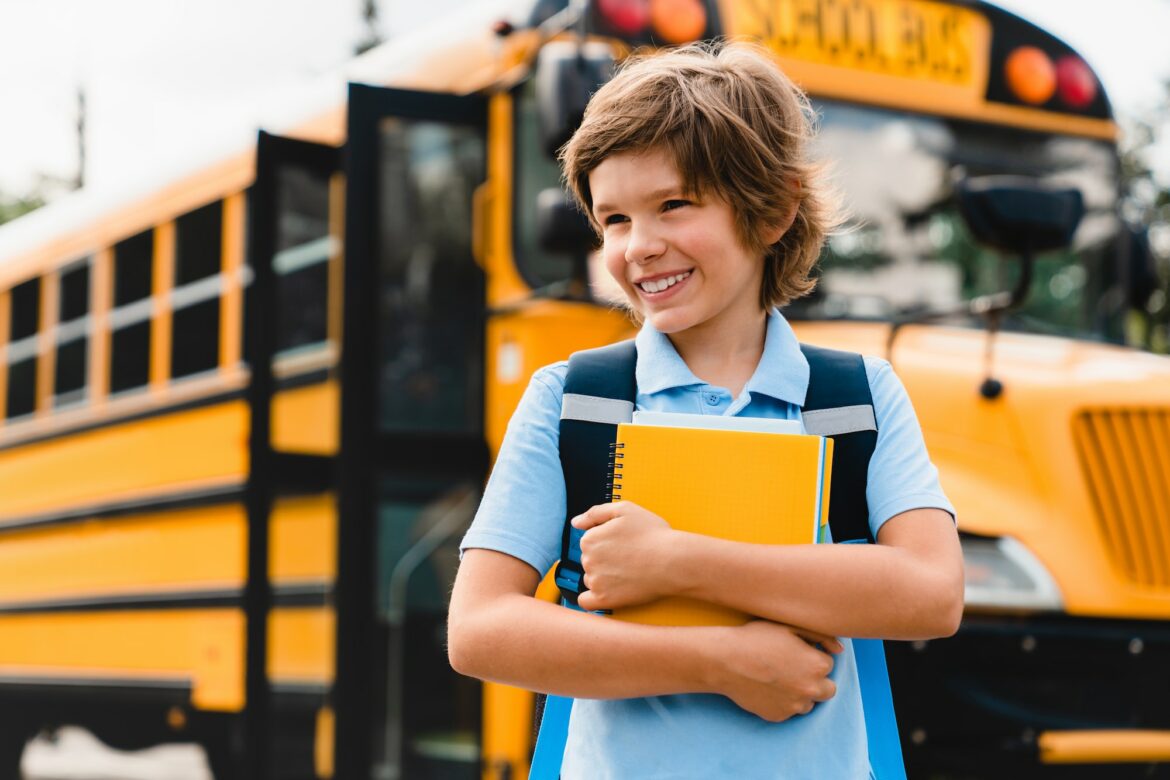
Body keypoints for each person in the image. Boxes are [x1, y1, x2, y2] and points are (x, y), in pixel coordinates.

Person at [447, 41, 963, 778]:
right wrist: (718, 661)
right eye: (615, 219)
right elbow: (480, 630)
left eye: (674, 206)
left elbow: (931, 595)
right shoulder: (576, 401)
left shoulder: (855, 399)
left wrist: (676, 562)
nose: (640, 247)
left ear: (775, 210)